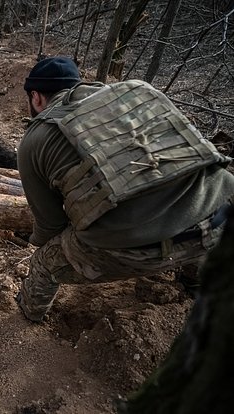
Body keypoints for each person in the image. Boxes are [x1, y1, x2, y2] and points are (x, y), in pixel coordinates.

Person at [15, 56, 234, 322]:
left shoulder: (36, 138)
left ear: (36, 97)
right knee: (189, 199)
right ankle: (196, 283)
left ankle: (30, 315)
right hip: (220, 221)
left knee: (43, 263)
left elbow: (50, 226)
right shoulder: (141, 90)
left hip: (130, 250)